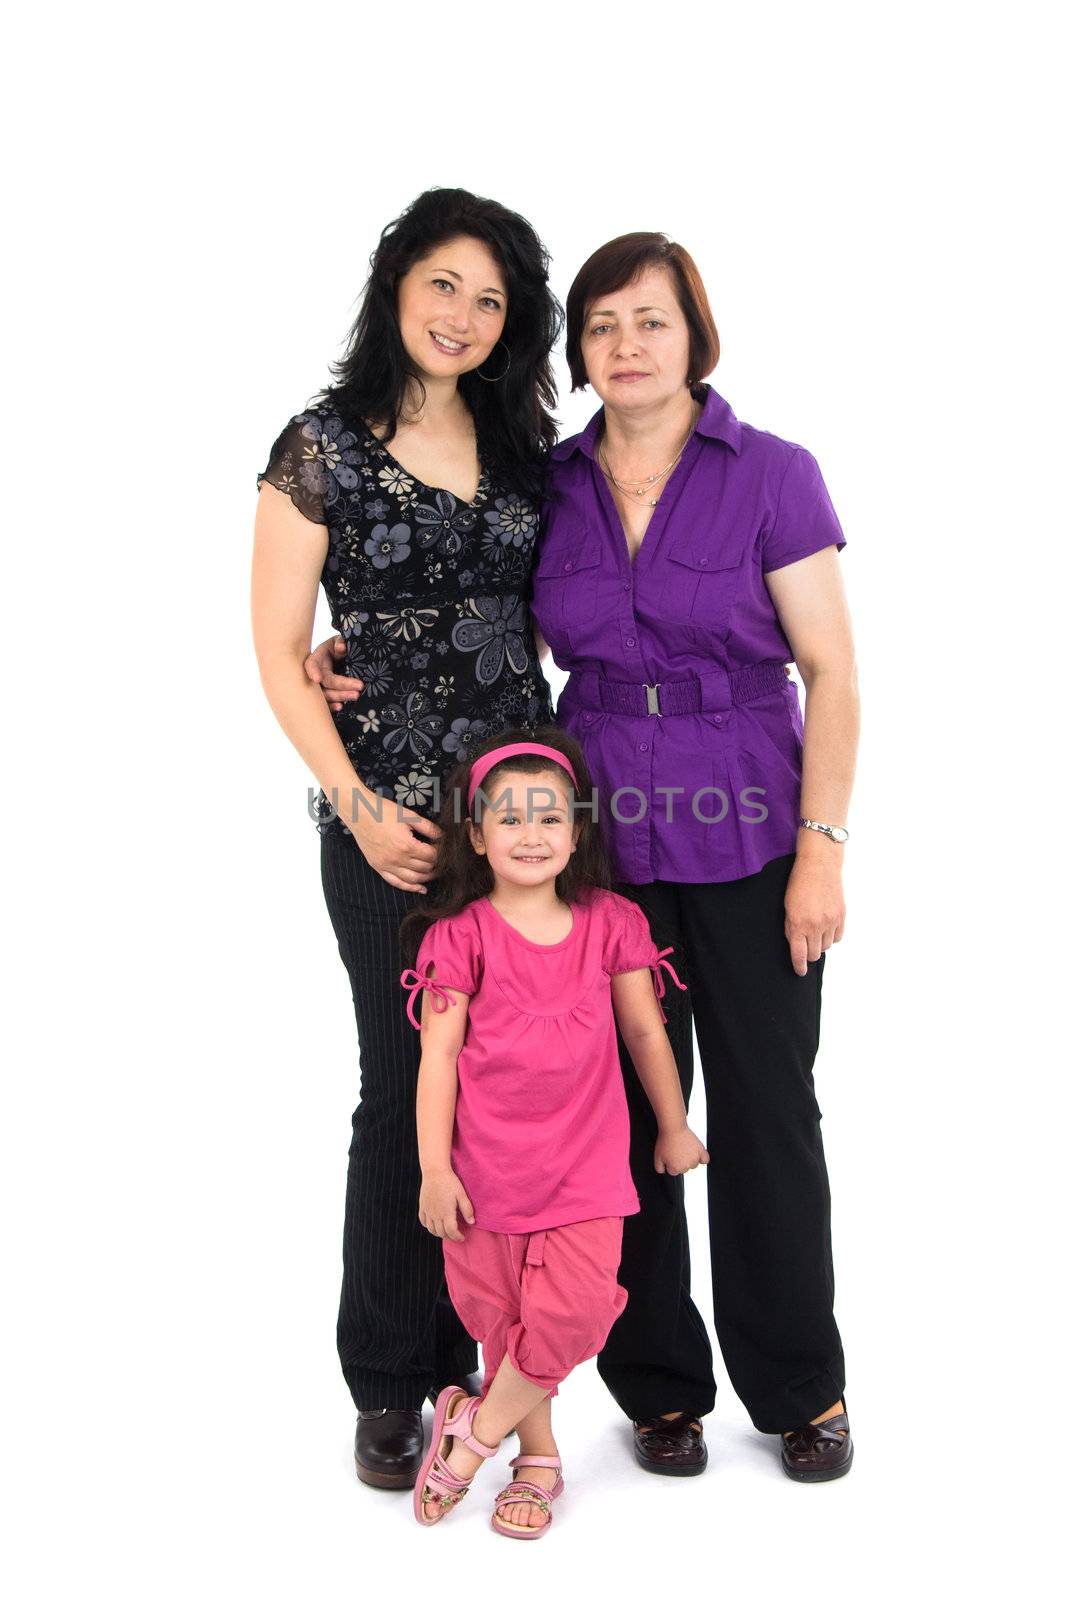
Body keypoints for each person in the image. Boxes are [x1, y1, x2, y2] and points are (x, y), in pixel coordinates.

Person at [307, 230, 860, 1485]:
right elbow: (452, 597)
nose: (623, 344)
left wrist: (821, 849)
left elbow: (829, 670)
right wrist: (327, 655)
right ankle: (657, 1382)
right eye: (600, 325)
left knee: (768, 1113)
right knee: (611, 1125)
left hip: (748, 831)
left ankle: (799, 1388)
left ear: (692, 336)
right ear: (577, 351)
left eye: (648, 321)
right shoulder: (543, 484)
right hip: (595, 844)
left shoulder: (773, 474)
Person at [251, 187, 564, 1489]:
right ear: (395, 289)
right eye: (443, 285)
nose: (462, 315)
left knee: (501, 1087)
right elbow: (276, 649)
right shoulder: (321, 443)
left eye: (489, 300)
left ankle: (479, 1350)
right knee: (403, 1086)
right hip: (388, 817)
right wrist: (360, 798)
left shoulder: (521, 446)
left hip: (528, 817)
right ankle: (390, 1379)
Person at [399, 730, 706, 1535]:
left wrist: (673, 1125)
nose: (531, 835)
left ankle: (472, 1434)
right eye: (510, 819)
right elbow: (436, 1062)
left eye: (549, 818)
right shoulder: (457, 936)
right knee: (502, 1322)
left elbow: (647, 1034)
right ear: (476, 833)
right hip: (485, 1172)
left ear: (577, 832)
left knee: (575, 1311)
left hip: (586, 1170)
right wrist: (435, 1170)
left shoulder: (611, 922)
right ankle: (535, 1460)